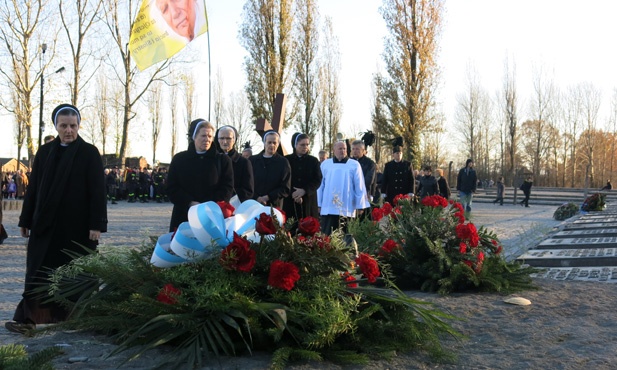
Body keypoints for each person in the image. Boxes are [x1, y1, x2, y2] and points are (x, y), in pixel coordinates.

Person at [5, 104, 107, 335]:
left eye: (73, 125)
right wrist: (25, 220)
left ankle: (79, 319)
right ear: (56, 126)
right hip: (46, 226)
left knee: (77, 273)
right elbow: (34, 190)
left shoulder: (89, 152)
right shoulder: (45, 152)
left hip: (78, 228)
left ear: (79, 125)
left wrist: (97, 224)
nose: (68, 130)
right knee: (38, 271)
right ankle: (30, 318)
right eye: (64, 126)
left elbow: (98, 191)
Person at [166, 119, 234, 232]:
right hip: (183, 213)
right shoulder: (179, 159)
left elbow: (227, 187)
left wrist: (207, 205)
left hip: (211, 214)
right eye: (203, 135)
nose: (207, 139)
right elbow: (172, 187)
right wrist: (190, 202)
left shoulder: (222, 160)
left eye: (210, 136)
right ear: (194, 137)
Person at [317, 141, 370, 235]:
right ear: (334, 150)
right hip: (328, 207)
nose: (343, 151)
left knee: (346, 238)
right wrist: (318, 204)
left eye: (344, 149)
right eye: (340, 148)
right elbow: (320, 186)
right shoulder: (325, 164)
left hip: (347, 208)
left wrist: (360, 205)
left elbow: (359, 185)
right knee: (328, 237)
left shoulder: (354, 165)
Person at [283, 133, 322, 221]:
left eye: (307, 144)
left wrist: (304, 190)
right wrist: (294, 193)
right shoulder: (286, 160)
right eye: (302, 144)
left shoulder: (313, 161)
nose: (305, 147)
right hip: (290, 199)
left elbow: (317, 179)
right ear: (295, 145)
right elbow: (284, 179)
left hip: (308, 200)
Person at [249, 131, 291, 209]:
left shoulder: (283, 162)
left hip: (273, 206)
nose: (272, 145)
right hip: (253, 204)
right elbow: (247, 183)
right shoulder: (252, 160)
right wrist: (257, 197)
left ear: (278, 144)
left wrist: (268, 197)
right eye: (269, 142)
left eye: (275, 143)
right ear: (264, 143)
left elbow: (285, 188)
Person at [215, 125, 254, 202]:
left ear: (234, 140)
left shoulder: (244, 163)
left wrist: (229, 198)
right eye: (222, 138)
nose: (225, 141)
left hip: (234, 206)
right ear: (218, 140)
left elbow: (248, 190)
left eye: (228, 138)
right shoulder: (213, 160)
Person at [351, 140, 377, 205]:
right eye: (353, 149)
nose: (354, 151)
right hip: (350, 193)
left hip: (364, 194)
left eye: (357, 149)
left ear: (363, 150)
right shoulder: (349, 162)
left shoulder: (370, 163)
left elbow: (369, 180)